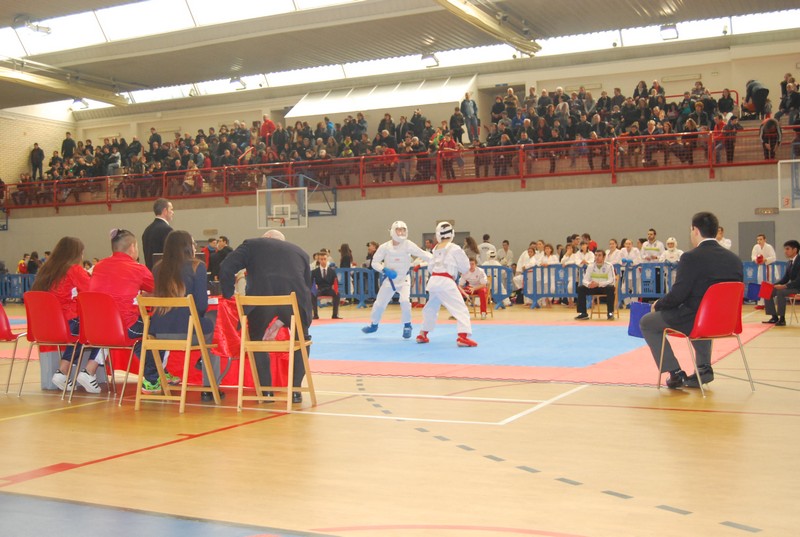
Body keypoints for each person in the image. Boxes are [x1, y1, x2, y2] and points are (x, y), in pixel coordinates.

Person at [639, 212, 743, 389]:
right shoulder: (734, 259)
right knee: (702, 312)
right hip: (726, 321)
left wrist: (658, 304)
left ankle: (675, 372)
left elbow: (678, 294)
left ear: (695, 230)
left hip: (697, 319)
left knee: (647, 322)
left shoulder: (691, 257)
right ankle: (703, 368)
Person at [218, 229, 312, 403]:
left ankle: (266, 391)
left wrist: (227, 293)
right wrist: (282, 321)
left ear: (267, 237)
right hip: (294, 302)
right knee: (303, 340)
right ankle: (296, 391)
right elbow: (307, 287)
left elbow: (226, 266)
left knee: (257, 341)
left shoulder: (252, 243)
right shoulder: (301, 252)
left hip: (261, 300)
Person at [146, 230, 217, 398]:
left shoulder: (157, 268)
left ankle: (202, 363)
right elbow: (201, 305)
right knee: (214, 322)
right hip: (186, 331)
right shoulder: (196, 266)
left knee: (205, 324)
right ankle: (209, 386)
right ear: (187, 247)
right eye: (193, 244)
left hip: (159, 333)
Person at [31, 237, 102, 393]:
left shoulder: (45, 270)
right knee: (99, 328)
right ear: (76, 254)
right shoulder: (74, 270)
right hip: (66, 324)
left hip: (43, 326)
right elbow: (92, 290)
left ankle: (64, 372)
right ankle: (70, 371)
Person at [88, 228, 157, 386]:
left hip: (96, 328)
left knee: (141, 332)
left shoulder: (98, 267)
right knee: (155, 329)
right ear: (132, 247)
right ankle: (155, 378)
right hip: (125, 328)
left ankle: (153, 377)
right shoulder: (137, 268)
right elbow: (158, 289)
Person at [362, 221, 431, 338]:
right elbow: (374, 262)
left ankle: (407, 325)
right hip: (390, 280)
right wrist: (384, 269)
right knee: (379, 304)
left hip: (404, 279)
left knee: (405, 301)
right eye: (399, 230)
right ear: (393, 231)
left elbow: (423, 254)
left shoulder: (408, 244)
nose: (401, 232)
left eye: (404, 230)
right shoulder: (385, 247)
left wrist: (438, 259)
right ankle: (374, 325)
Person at [416, 222, 476, 347]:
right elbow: (465, 267)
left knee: (431, 307)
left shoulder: (436, 248)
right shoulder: (455, 248)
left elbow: (431, 267)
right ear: (452, 233)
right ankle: (462, 336)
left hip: (434, 281)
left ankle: (423, 333)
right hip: (446, 282)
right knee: (461, 309)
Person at [762, 240, 800, 327]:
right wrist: (773, 285)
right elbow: (785, 278)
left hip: (798, 287)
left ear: (795, 250)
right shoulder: (789, 262)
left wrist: (784, 286)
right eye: (785, 249)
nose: (785, 251)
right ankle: (774, 317)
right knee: (767, 290)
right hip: (791, 286)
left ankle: (782, 319)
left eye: (787, 249)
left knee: (781, 292)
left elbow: (798, 280)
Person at [574, 249, 616, 320]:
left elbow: (611, 280)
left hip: (604, 287)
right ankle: (583, 313)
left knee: (611, 288)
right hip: (593, 287)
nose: (597, 257)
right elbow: (585, 280)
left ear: (604, 257)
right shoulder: (590, 265)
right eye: (596, 255)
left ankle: (610, 313)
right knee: (580, 288)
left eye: (599, 255)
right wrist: (589, 284)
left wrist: (599, 284)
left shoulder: (609, 266)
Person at [142, 198, 174, 270]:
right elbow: (171, 255)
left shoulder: (147, 230)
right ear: (165, 211)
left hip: (150, 273)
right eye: (171, 209)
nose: (173, 212)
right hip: (163, 273)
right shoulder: (167, 230)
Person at [311, 251, 341, 320]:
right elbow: (311, 282)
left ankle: (335, 315)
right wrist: (314, 285)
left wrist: (334, 286)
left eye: (324, 259)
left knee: (337, 294)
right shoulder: (314, 271)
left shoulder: (332, 271)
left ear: (327, 260)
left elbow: (335, 281)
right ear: (319, 260)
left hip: (329, 289)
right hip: (319, 289)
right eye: (321, 259)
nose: (323, 261)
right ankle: (315, 315)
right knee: (312, 294)